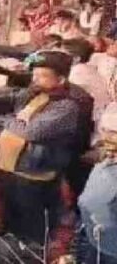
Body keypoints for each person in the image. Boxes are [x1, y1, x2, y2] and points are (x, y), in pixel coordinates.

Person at [0, 51, 82, 245]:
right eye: (34, 75)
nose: (35, 79)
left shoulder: (67, 107)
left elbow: (32, 131)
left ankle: (31, 252)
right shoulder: (32, 94)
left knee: (31, 225)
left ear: (60, 79)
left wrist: (3, 120)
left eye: (42, 76)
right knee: (9, 218)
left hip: (33, 174)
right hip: (10, 168)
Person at [74, 104, 117, 264]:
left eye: (114, 133)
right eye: (104, 130)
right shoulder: (103, 162)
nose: (106, 137)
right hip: (93, 240)